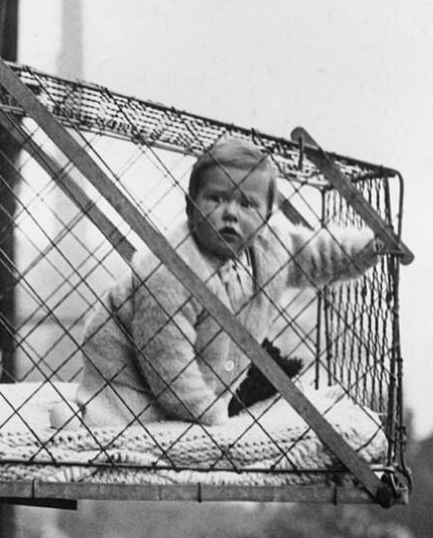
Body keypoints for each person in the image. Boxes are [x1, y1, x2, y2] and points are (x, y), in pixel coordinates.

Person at [58, 137, 381, 429]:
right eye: (216, 199)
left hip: (209, 363)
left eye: (247, 204)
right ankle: (86, 413)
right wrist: (209, 416)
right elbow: (167, 362)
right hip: (127, 370)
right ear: (190, 207)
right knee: (121, 418)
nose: (231, 213)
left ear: (268, 217)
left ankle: (205, 401)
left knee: (245, 387)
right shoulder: (170, 271)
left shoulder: (270, 247)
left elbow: (318, 255)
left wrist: (368, 248)